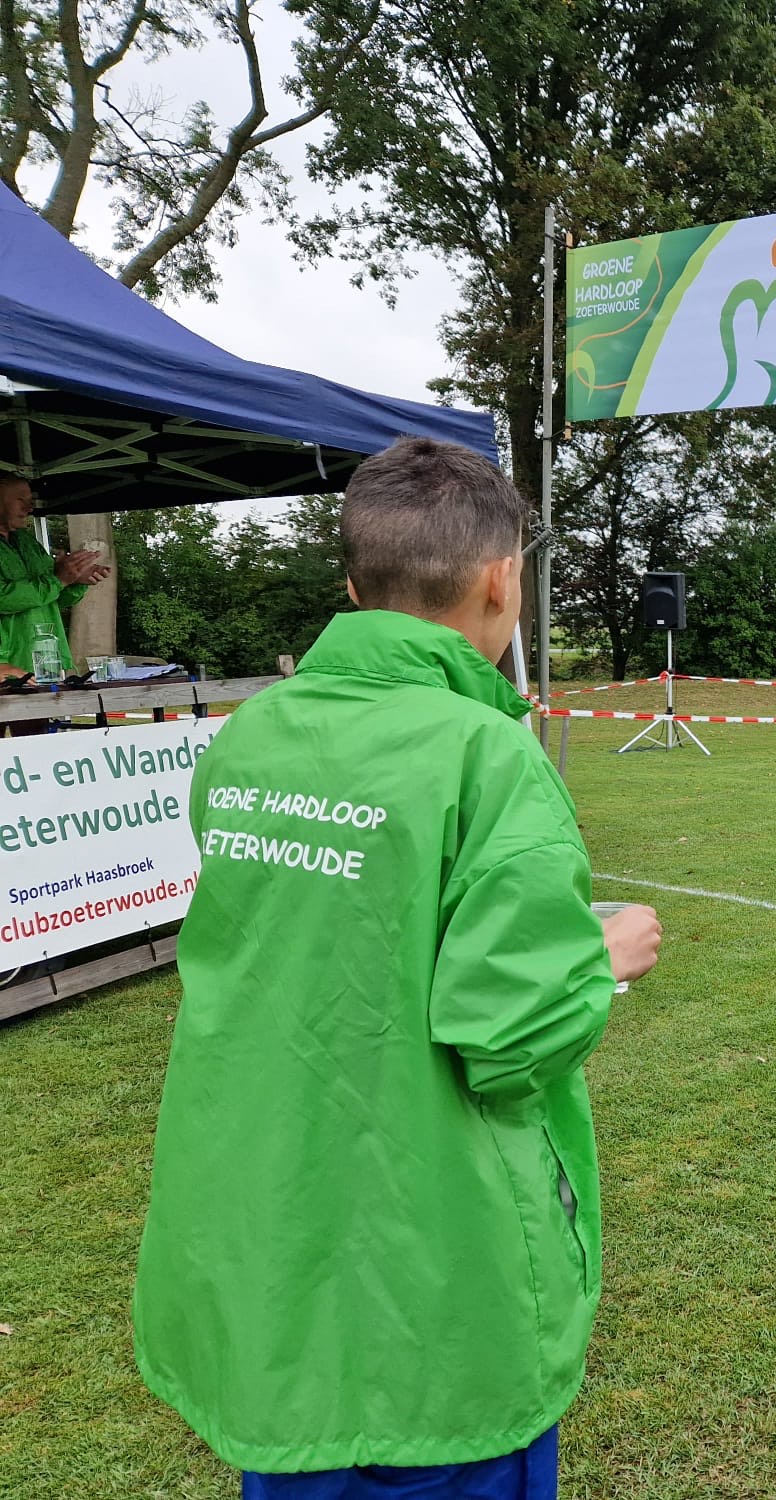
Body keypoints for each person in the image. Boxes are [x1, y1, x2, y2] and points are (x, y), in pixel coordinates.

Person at [132, 437, 663, 1497]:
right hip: (436, 1286)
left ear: (353, 587)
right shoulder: (486, 754)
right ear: (501, 580)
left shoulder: (251, 736)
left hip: (267, 1250)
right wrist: (594, 958)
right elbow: (506, 1036)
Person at [0, 471, 109, 679]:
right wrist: (59, 579)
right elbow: (3, 598)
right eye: (20, 500)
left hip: (45, 658)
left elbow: (51, 599)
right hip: (7, 665)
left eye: (31, 501)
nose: (29, 508)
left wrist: (75, 580)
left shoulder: (27, 541)